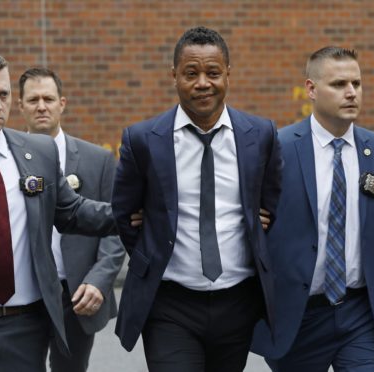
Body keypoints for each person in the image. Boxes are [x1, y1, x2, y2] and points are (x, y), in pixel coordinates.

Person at [112, 26, 282, 372]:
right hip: (170, 303)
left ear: (228, 75)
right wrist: (154, 241)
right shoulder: (143, 140)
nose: (202, 82)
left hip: (237, 300)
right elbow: (124, 212)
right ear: (174, 75)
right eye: (191, 73)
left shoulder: (260, 134)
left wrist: (257, 224)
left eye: (213, 73)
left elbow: (272, 201)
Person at [0, 49, 116, 372]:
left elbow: (73, 213)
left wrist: (133, 212)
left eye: (3, 94)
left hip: (26, 330)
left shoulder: (39, 153)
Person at [251, 46, 374, 371]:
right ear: (311, 89)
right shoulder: (277, 150)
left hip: (363, 315)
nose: (351, 93)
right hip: (298, 318)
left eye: (356, 84)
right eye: (338, 84)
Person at [18, 67, 125, 372]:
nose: (41, 106)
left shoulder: (98, 160)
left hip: (77, 292)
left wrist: (99, 280)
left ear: (62, 103)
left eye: (48, 99)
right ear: (21, 106)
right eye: (33, 99)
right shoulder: (6, 159)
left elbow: (115, 229)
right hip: (25, 291)